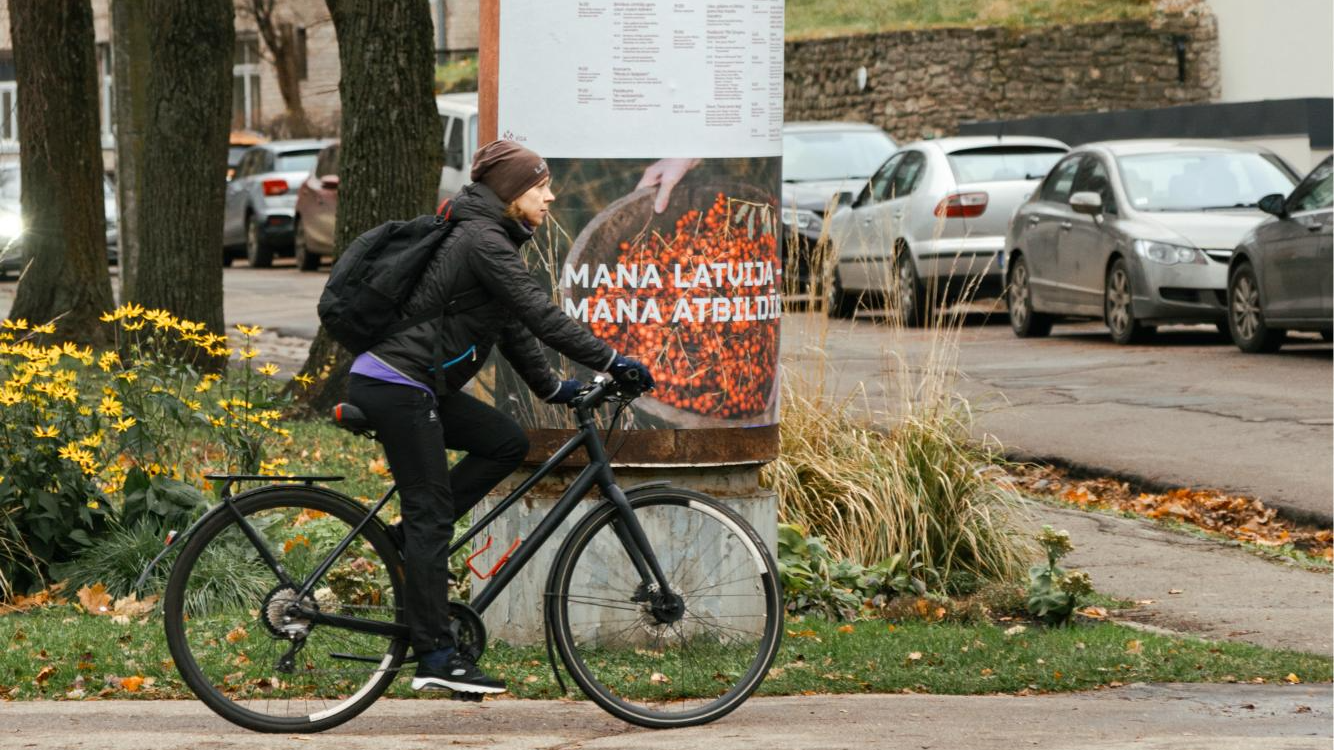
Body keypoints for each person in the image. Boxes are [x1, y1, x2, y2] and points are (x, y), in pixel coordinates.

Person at [345, 139, 654, 695]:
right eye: (540, 187)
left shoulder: (490, 237)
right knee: (432, 514)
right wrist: (613, 361)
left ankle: (403, 540)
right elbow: (539, 312)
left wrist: (555, 386)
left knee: (506, 443)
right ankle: (438, 657)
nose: (551, 196)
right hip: (399, 384)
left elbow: (512, 325)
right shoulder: (483, 238)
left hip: (416, 384)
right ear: (512, 193)